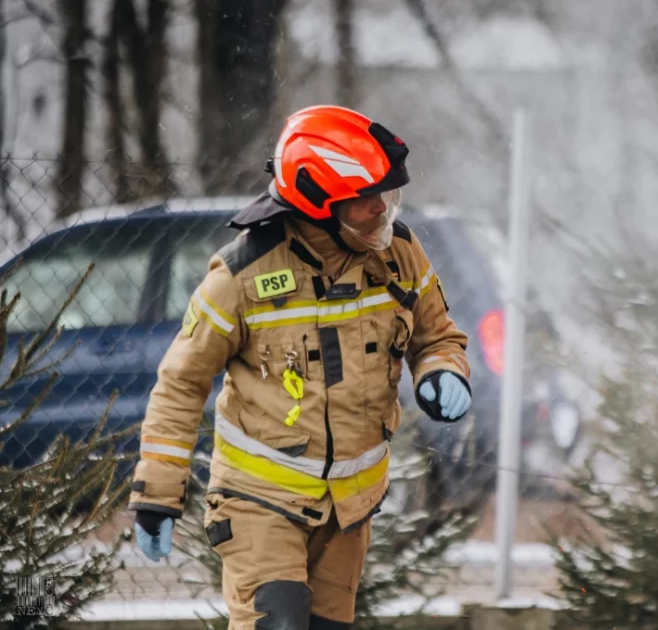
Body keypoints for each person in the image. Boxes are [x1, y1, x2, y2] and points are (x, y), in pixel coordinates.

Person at [128, 105, 472, 629]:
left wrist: (442, 372)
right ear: (318, 205)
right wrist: (156, 494)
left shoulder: (400, 253)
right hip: (258, 500)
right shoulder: (242, 274)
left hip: (349, 509)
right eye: (364, 202)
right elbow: (181, 383)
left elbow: (437, 336)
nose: (382, 210)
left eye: (386, 196)